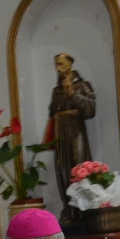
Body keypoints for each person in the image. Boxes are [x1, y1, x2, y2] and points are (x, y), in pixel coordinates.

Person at [46, 53, 96, 223]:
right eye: (56, 65)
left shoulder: (82, 85)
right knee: (62, 170)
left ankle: (82, 211)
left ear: (70, 64)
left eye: (61, 64)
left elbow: (90, 110)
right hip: (61, 133)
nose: (59, 68)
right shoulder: (55, 90)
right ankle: (68, 211)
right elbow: (52, 113)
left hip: (76, 131)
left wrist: (73, 94)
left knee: (79, 168)